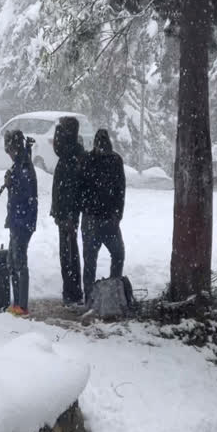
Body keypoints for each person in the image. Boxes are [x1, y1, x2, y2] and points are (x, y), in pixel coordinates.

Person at [80, 129, 125, 304]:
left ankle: (90, 298)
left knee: (91, 259)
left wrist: (87, 209)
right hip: (106, 218)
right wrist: (117, 214)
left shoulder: (88, 160)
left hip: (94, 218)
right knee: (117, 254)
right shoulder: (114, 160)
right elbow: (120, 190)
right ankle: (112, 293)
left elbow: (81, 188)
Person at [50, 116, 86, 305]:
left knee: (68, 254)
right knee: (69, 253)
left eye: (60, 132)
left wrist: (69, 215)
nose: (56, 138)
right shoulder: (70, 154)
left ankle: (72, 292)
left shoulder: (70, 156)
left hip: (67, 215)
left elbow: (71, 190)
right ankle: (72, 291)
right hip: (65, 214)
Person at [3, 130, 38, 316]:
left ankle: (21, 305)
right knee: (12, 262)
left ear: (13, 148)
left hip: (22, 221)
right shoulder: (20, 163)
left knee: (19, 262)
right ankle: (17, 302)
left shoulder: (23, 166)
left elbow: (24, 195)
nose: (7, 154)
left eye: (8, 149)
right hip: (17, 220)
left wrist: (11, 183)